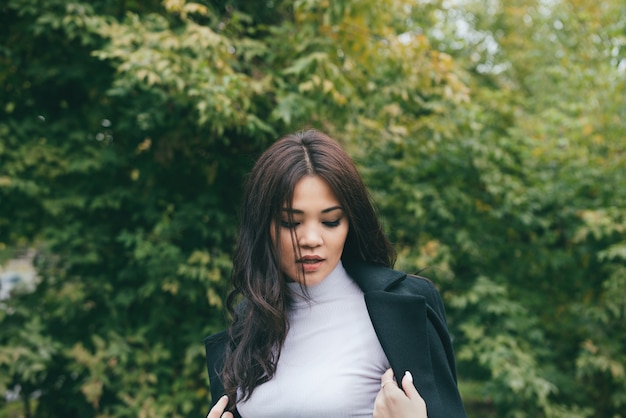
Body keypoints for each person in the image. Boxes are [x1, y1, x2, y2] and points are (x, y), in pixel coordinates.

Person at [204, 130, 467, 418]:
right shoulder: (248, 322)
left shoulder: (399, 309)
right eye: (291, 222)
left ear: (349, 223)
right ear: (264, 226)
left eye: (330, 221)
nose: (311, 239)